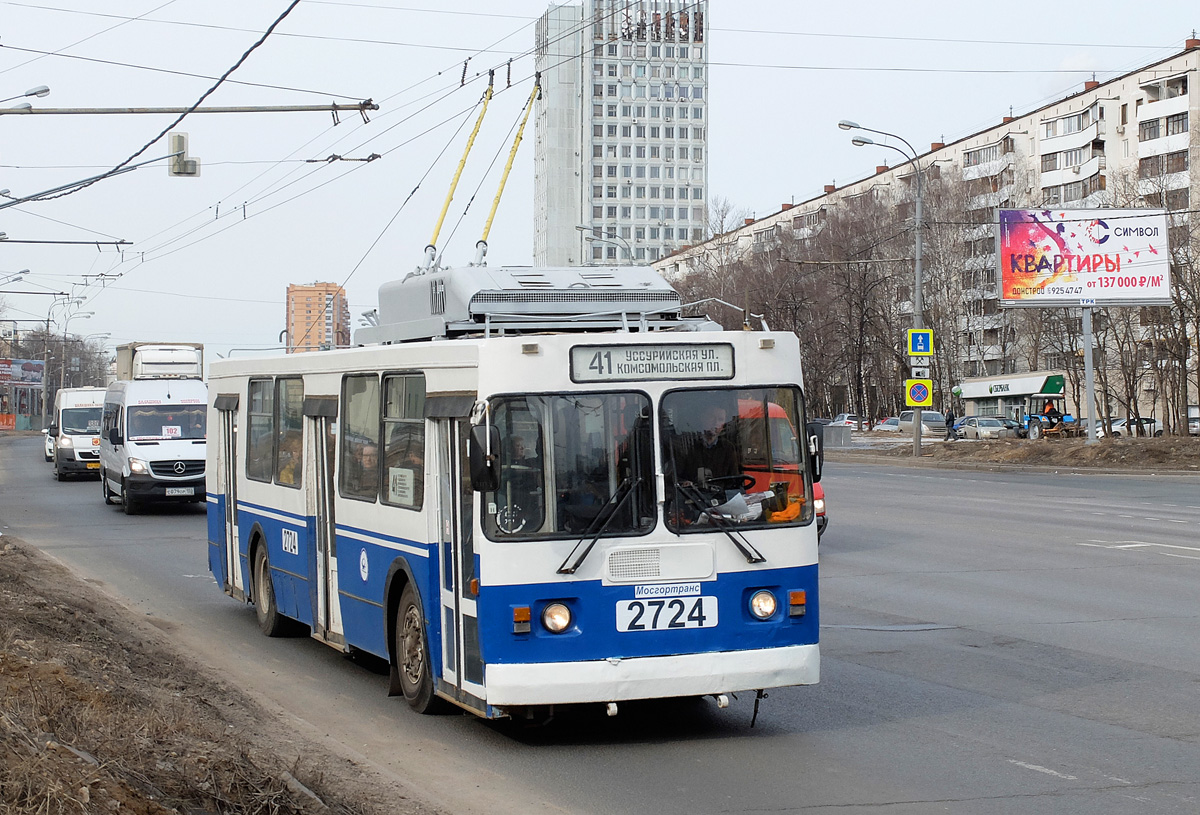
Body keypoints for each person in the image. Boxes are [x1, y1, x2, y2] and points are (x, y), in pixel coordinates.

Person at [675, 403, 739, 487]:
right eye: (711, 417)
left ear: (723, 425)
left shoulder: (728, 448)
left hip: (720, 496)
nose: (715, 423)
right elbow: (674, 478)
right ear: (702, 418)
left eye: (720, 419)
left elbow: (734, 480)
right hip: (693, 496)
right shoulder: (688, 446)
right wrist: (685, 483)